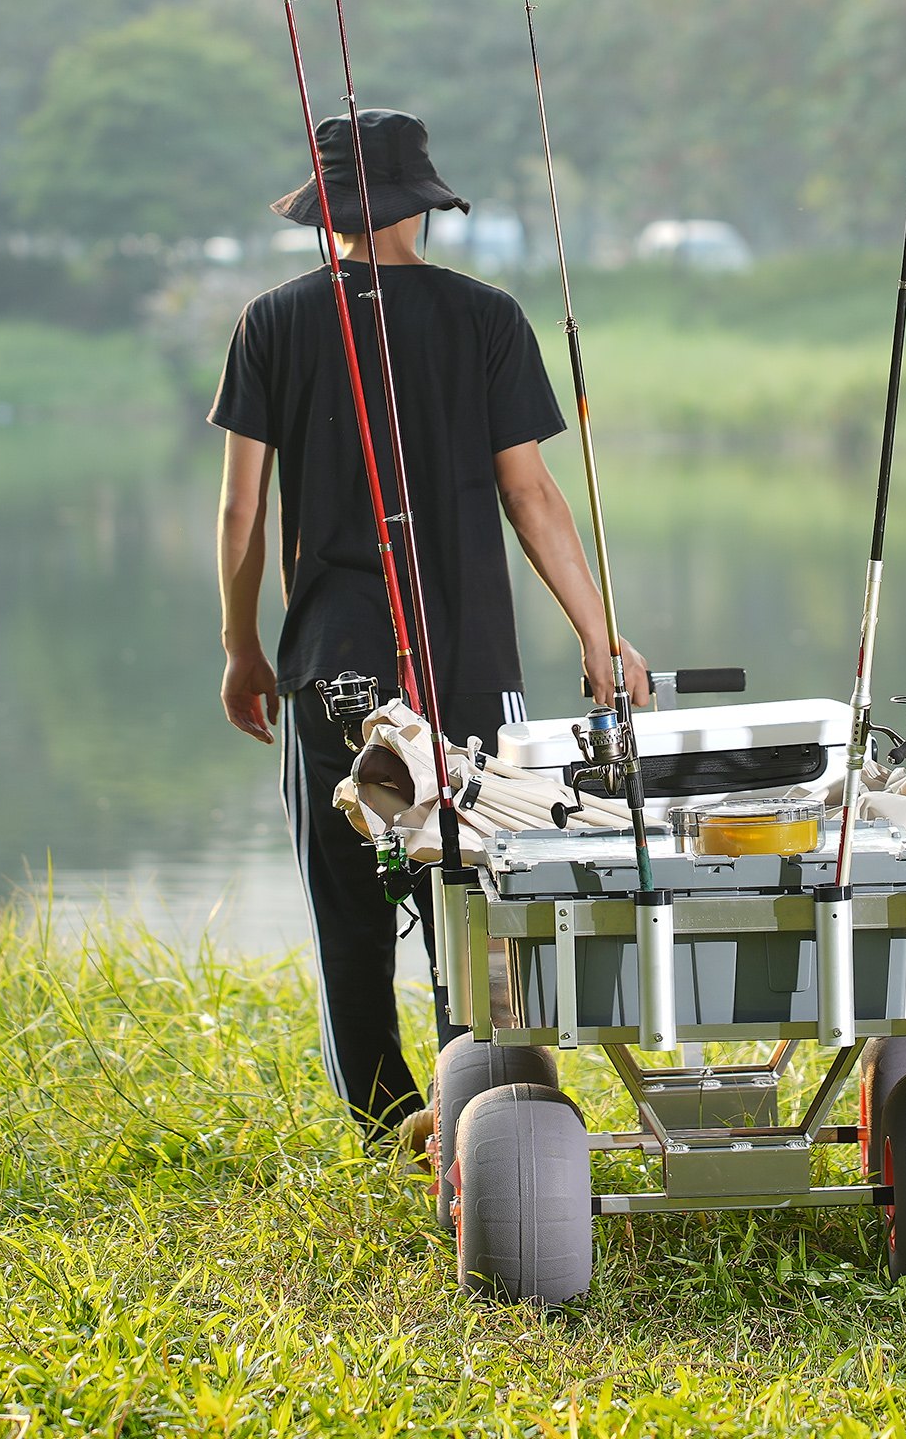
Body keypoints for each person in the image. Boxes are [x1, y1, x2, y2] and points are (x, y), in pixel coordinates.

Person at [211, 108, 648, 1148]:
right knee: (475, 877)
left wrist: (243, 647)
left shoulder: (271, 321)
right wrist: (598, 636)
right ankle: (479, 1105)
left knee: (348, 898)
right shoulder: (487, 317)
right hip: (467, 669)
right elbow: (531, 494)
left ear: (326, 212)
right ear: (423, 205)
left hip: (329, 667)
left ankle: (383, 1115)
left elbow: (241, 511)